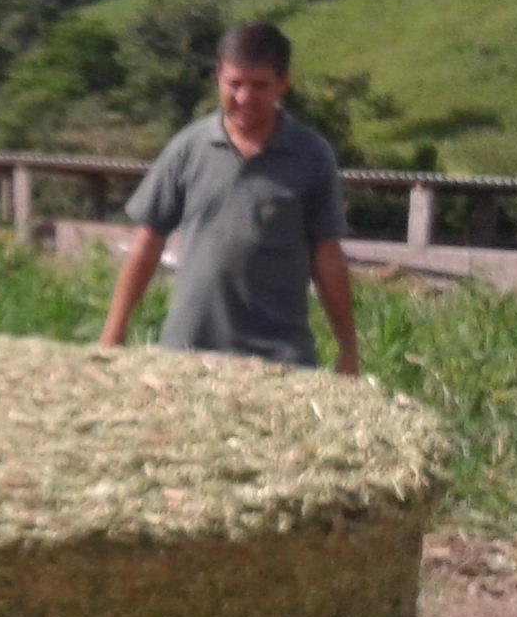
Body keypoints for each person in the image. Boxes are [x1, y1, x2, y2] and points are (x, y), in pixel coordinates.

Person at [97, 21, 359, 375]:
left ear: (283, 83)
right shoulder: (188, 148)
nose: (245, 98)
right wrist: (113, 334)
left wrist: (347, 348)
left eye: (260, 85)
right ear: (218, 76)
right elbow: (147, 242)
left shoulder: (311, 155)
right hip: (188, 352)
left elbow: (327, 255)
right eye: (234, 84)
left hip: (280, 359)